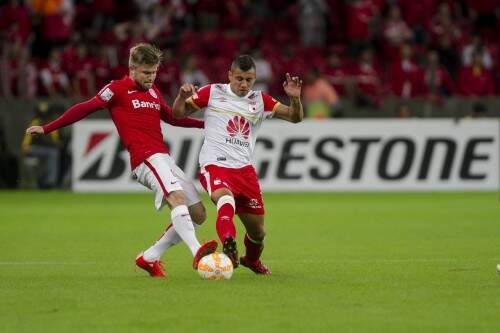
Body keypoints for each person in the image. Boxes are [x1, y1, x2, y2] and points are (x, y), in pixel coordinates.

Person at [25, 43, 217, 278]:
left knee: (198, 213)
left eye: (154, 72)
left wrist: (207, 125)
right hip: (145, 159)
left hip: (164, 157)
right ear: (132, 68)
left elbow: (172, 118)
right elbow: (84, 108)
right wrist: (47, 127)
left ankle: (149, 257)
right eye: (146, 73)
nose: (151, 77)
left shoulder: (154, 92)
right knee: (176, 197)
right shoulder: (116, 89)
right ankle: (197, 251)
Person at [172, 55, 303, 275]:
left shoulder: (260, 100)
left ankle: (251, 260)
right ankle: (228, 243)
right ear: (230, 75)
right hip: (215, 164)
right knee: (224, 197)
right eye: (239, 78)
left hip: (244, 171)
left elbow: (295, 118)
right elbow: (178, 114)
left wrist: (295, 99)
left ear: (254, 79)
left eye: (249, 80)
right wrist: (180, 97)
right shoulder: (212, 92)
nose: (243, 84)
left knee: (258, 232)